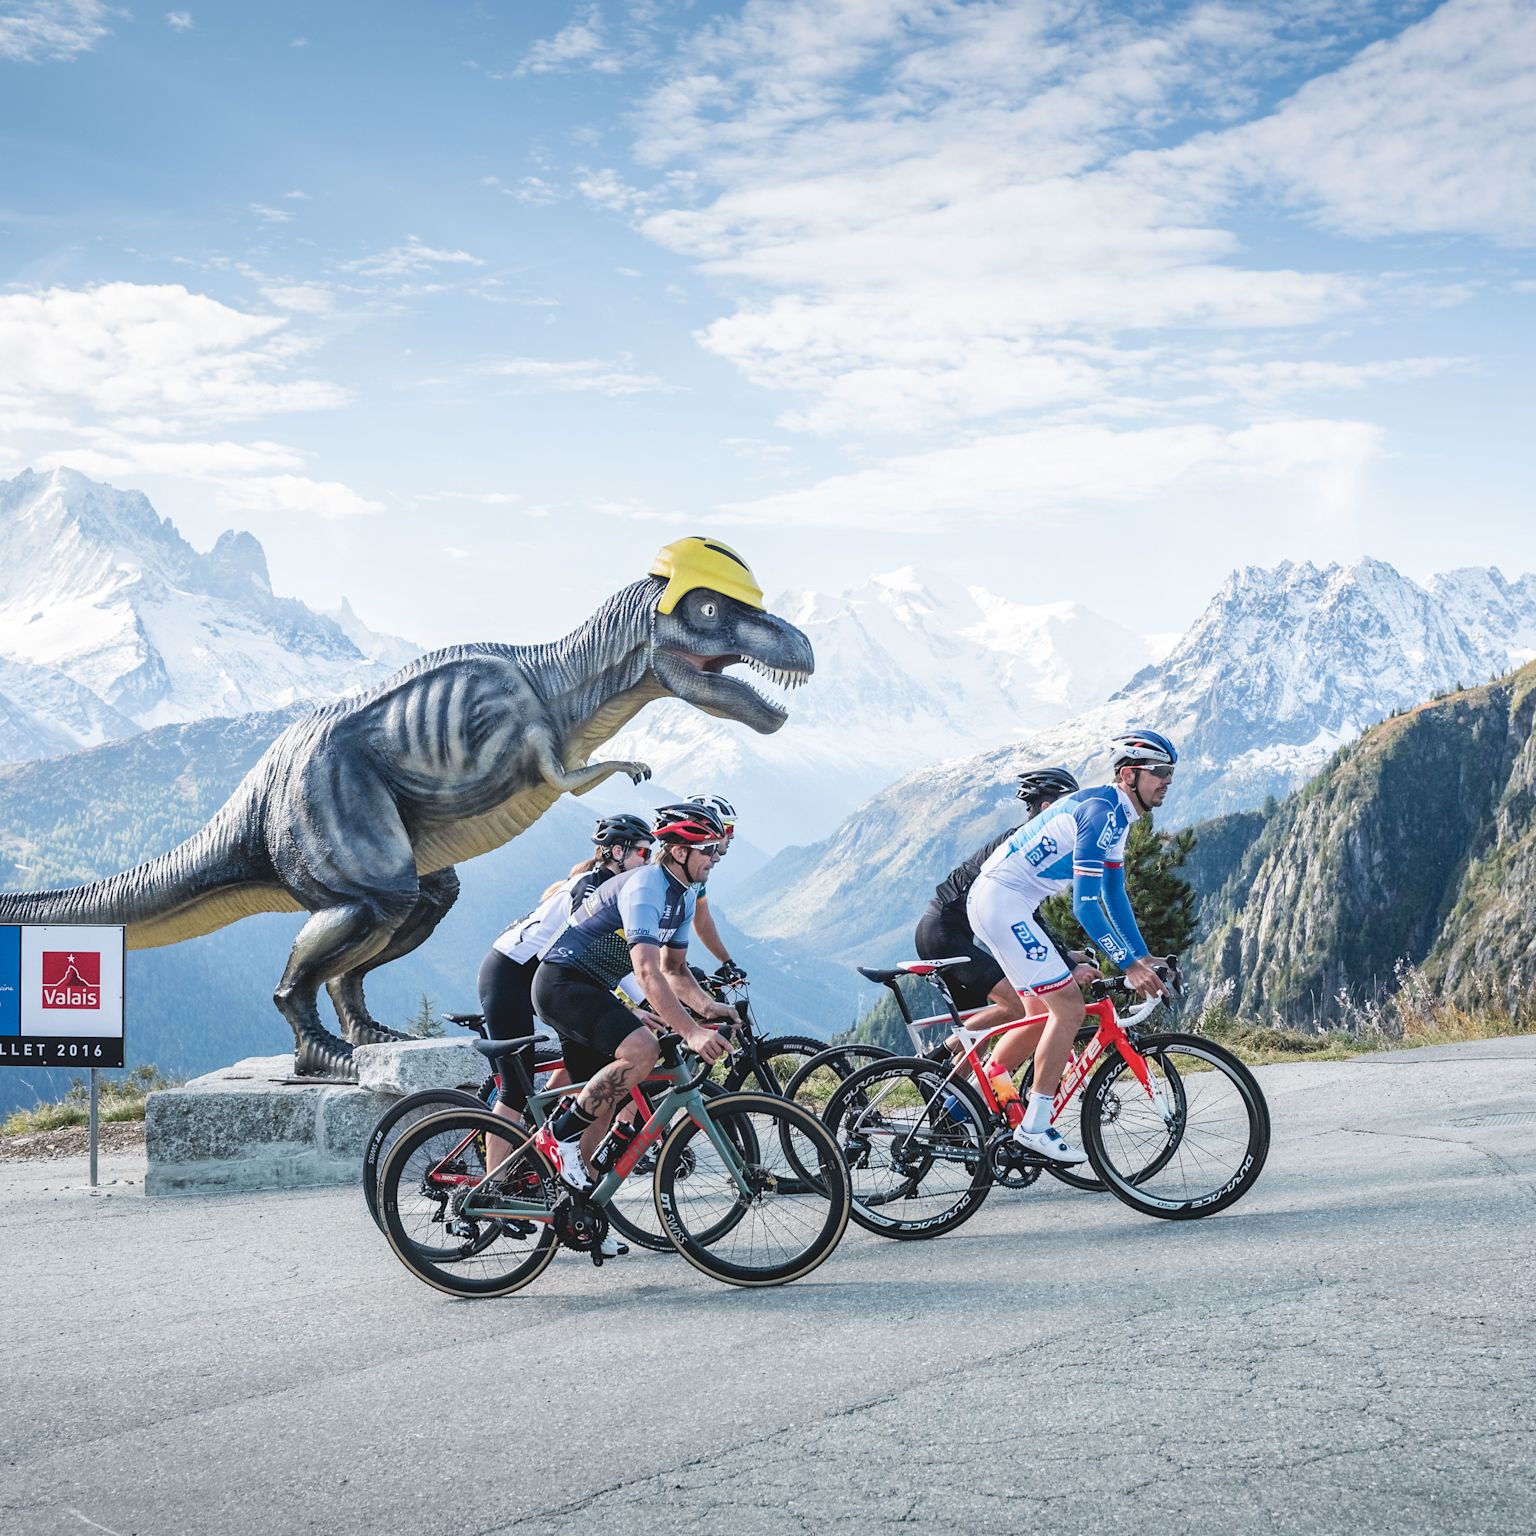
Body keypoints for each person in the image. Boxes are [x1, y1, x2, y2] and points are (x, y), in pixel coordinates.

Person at [965, 731, 1177, 1163]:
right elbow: (1085, 905)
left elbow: (1114, 896)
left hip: (1005, 902)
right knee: (1069, 1007)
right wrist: (1127, 964)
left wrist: (1141, 957)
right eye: (1160, 772)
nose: (1167, 781)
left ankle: (981, 1094)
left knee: (1040, 1014)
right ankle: (1036, 1125)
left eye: (1170, 773)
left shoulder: (1118, 814)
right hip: (1003, 901)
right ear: (1129, 774)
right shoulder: (1101, 812)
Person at [532, 802, 737, 1191]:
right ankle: (558, 1136)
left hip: (590, 987)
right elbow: (646, 971)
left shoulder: (686, 894)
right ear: (679, 852)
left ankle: (581, 1203)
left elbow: (674, 970)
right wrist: (692, 1032)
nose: (716, 856)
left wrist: (708, 1009)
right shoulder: (646, 885)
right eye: (708, 848)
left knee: (606, 1101)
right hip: (562, 983)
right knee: (643, 1049)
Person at [915, 767, 1095, 1081]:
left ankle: (951, 1111)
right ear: (1047, 809)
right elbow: (1026, 918)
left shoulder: (1026, 842)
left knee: (977, 1046)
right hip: (944, 932)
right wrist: (1064, 959)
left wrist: (1066, 954)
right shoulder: (1023, 846)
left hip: (949, 931)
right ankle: (931, 1060)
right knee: (1016, 1006)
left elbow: (1027, 918)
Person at [686, 792, 747, 984]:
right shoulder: (675, 876)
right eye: (728, 829)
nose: (733, 836)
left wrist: (727, 962)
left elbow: (702, 921)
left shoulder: (697, 877)